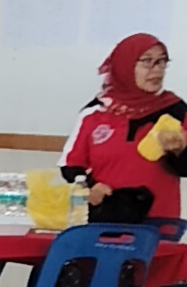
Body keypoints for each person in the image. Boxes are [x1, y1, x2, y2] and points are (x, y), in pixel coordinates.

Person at [60, 34, 186, 224]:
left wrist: (178, 151)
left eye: (162, 61)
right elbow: (70, 165)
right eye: (147, 62)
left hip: (159, 221)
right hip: (104, 216)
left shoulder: (175, 110)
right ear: (125, 65)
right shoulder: (95, 112)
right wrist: (90, 187)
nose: (157, 69)